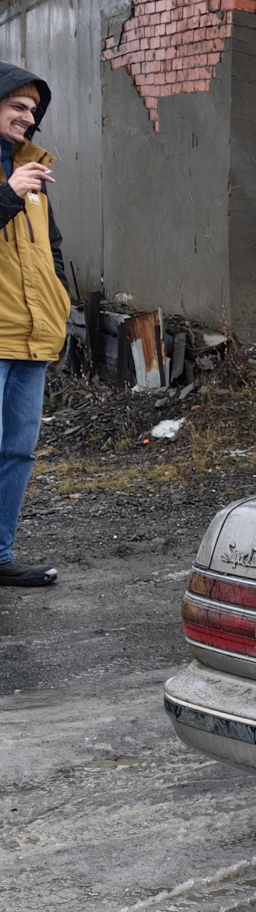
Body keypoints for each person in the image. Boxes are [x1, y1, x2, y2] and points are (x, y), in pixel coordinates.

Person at [0, 60, 67, 587]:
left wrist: (60, 301)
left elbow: (52, 248)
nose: (29, 117)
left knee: (18, 450)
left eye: (34, 110)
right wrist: (8, 192)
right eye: (18, 106)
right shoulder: (19, 178)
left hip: (32, 333)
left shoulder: (33, 170)